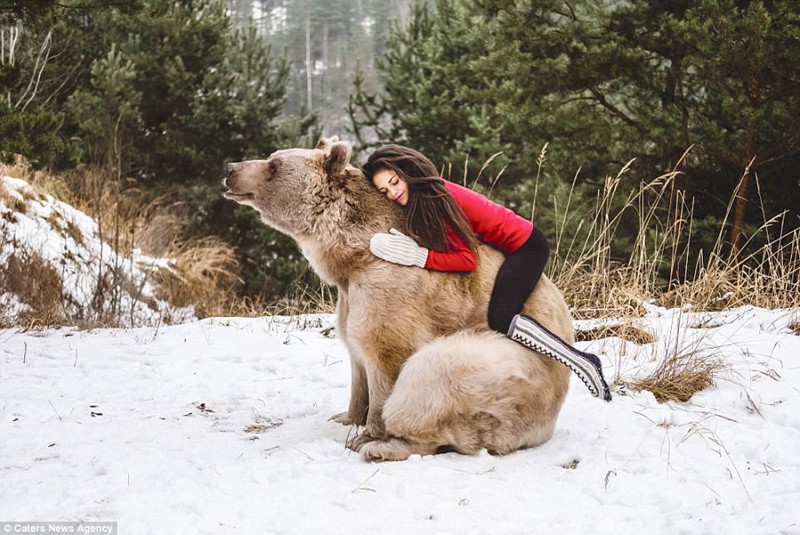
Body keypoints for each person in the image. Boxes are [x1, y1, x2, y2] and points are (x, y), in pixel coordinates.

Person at [361, 144, 611, 401]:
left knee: (501, 317)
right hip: (508, 248)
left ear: (407, 172)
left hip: (526, 247)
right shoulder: (422, 197)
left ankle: (582, 361)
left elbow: (466, 260)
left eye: (394, 182)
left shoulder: (437, 199)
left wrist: (420, 256)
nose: (392, 192)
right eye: (384, 191)